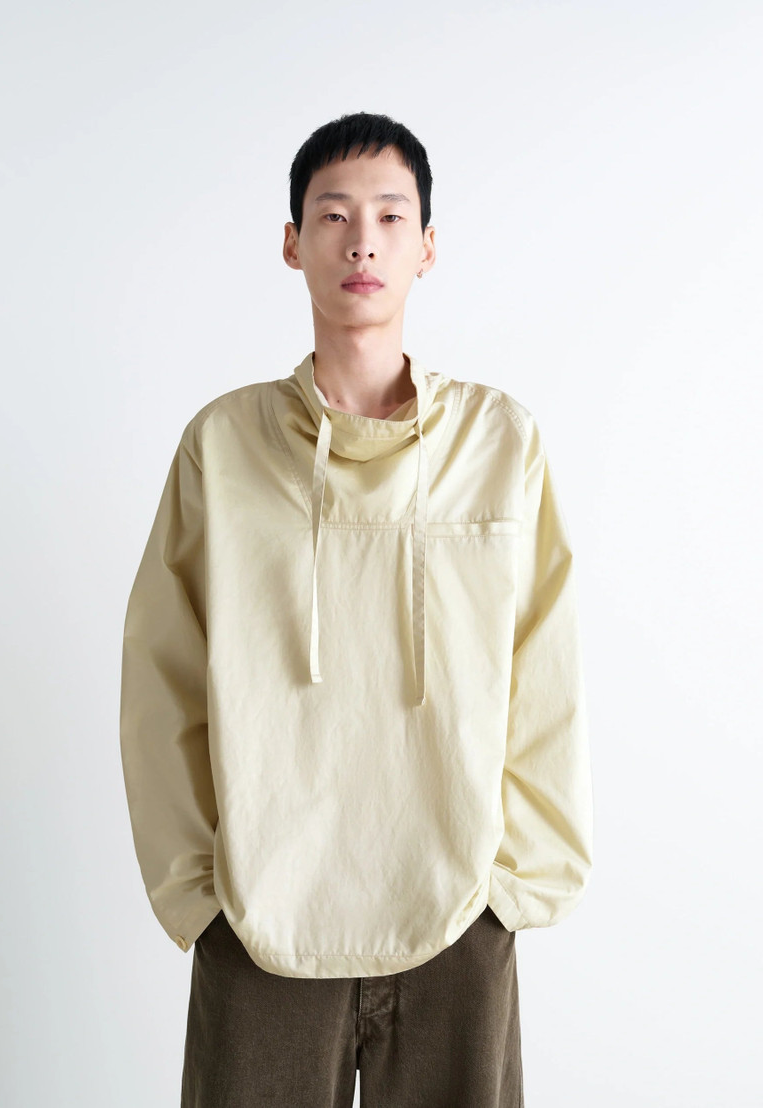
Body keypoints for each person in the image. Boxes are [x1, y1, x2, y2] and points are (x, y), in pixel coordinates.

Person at [119, 110, 594, 1107]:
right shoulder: (223, 446)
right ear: (293, 244)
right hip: (261, 913)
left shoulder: (499, 442)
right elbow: (161, 676)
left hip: (457, 905)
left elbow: (545, 664)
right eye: (333, 215)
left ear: (428, 246)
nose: (362, 242)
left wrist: (513, 887)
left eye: (390, 216)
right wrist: (198, 893)